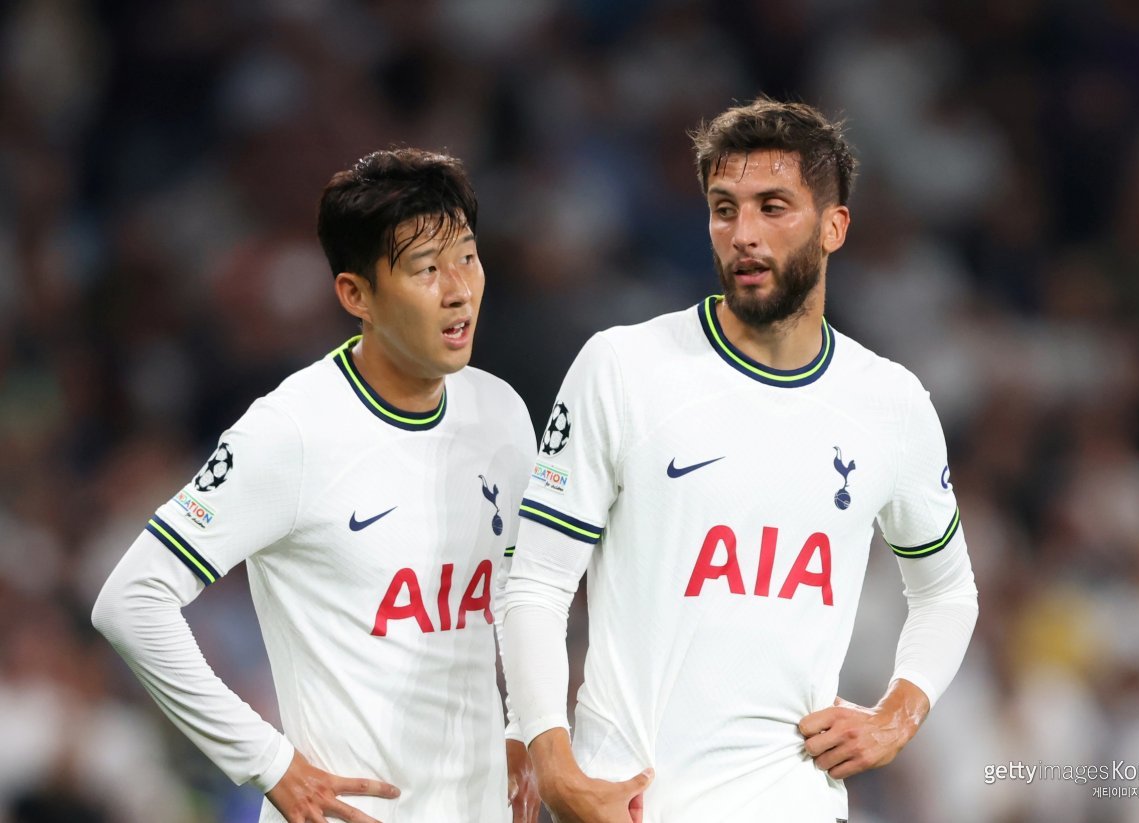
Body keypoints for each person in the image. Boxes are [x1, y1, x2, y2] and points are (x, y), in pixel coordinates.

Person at [501, 97, 979, 823]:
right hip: (628, 804)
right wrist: (551, 756)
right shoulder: (623, 367)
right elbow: (535, 581)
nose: (743, 234)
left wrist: (897, 712)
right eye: (724, 209)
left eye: (772, 207)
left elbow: (947, 590)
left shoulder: (892, 403)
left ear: (833, 226)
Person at [92, 148, 540, 823]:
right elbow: (131, 600)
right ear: (355, 294)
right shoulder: (291, 431)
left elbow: (513, 591)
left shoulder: (501, 411)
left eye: (468, 258)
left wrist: (521, 724)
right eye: (425, 268)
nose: (458, 289)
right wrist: (267, 762)